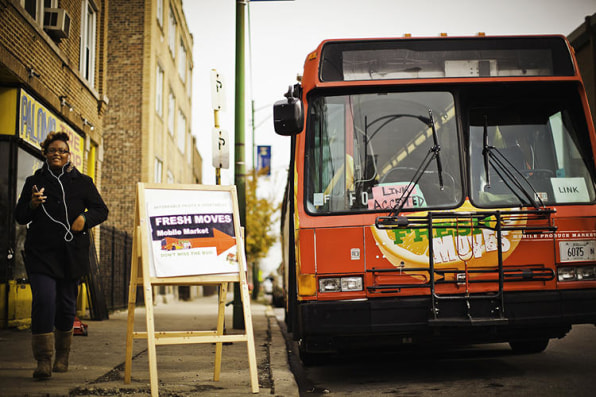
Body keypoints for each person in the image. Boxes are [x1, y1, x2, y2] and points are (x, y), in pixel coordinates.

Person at [15, 131, 108, 379]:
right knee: (44, 301)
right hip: (41, 254)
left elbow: (101, 210)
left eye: (62, 151)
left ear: (69, 155)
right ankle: (43, 360)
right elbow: (20, 216)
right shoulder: (33, 182)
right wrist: (33, 204)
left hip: (72, 255)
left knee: (67, 307)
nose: (57, 153)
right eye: (53, 150)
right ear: (45, 153)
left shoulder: (83, 182)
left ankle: (63, 355)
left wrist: (84, 218)